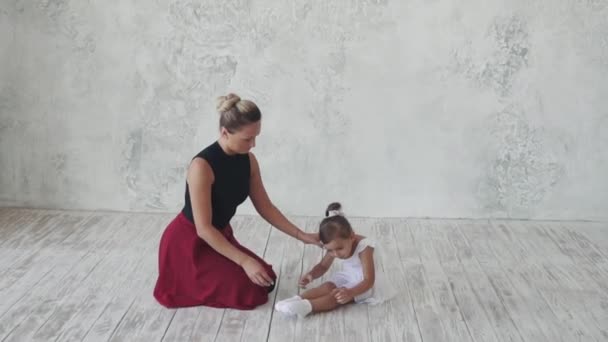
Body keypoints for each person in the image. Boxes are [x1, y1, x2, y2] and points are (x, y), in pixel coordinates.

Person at [153, 93, 319, 310]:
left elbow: (266, 207)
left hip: (220, 235)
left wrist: (301, 235)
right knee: (250, 292)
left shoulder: (248, 160)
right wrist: (244, 261)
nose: (254, 144)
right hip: (190, 243)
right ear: (225, 132)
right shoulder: (201, 167)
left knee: (266, 278)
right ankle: (187, 278)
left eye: (256, 137)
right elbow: (203, 229)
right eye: (247, 138)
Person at [274, 202, 394, 317]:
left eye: (339, 248)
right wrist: (311, 275)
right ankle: (296, 300)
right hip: (348, 275)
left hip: (364, 283)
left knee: (336, 296)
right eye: (330, 250)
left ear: (352, 236)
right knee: (327, 286)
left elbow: (369, 280)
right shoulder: (334, 246)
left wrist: (350, 293)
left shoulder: (365, 247)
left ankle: (307, 307)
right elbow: (323, 266)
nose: (335, 254)